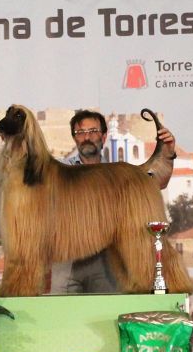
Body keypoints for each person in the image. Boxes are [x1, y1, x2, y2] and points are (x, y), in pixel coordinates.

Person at [50, 109, 176, 293]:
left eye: (93, 131)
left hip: (108, 260)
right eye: (80, 133)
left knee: (108, 317)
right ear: (74, 138)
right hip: (67, 262)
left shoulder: (119, 171)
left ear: (103, 136)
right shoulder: (59, 171)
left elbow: (157, 182)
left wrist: (168, 152)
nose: (87, 137)